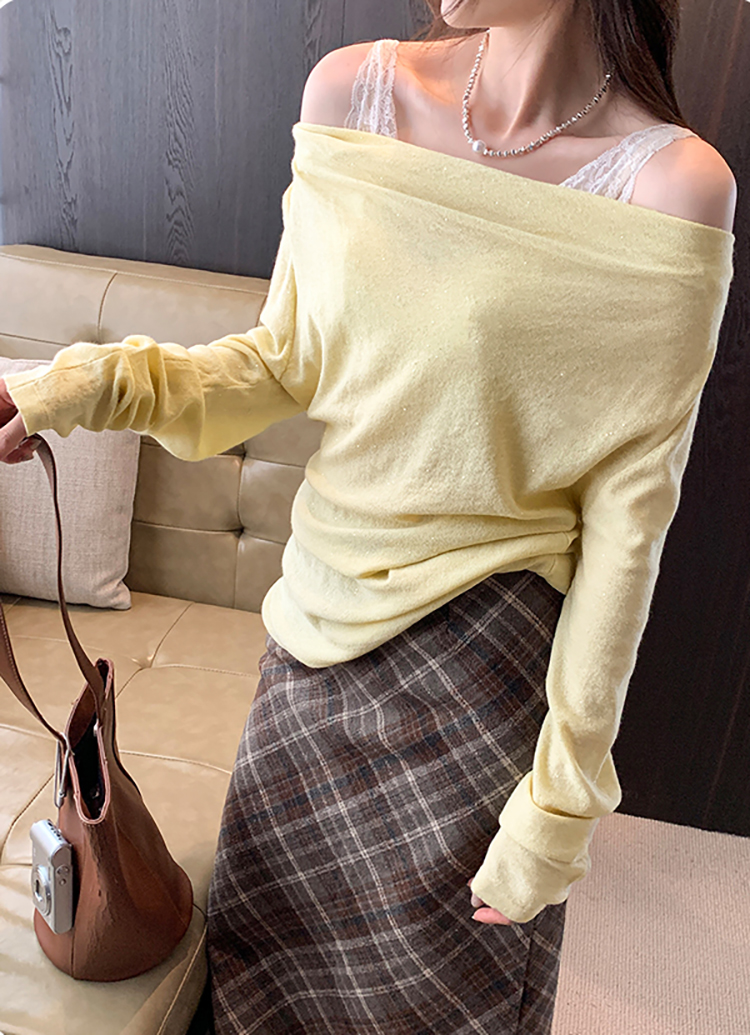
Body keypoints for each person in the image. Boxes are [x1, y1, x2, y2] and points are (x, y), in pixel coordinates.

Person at [0, 1, 736, 1032]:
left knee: (442, 1000)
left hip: (481, 672)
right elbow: (280, 363)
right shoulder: (355, 93)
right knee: (260, 975)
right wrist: (78, 387)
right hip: (314, 637)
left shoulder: (672, 187)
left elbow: (628, 522)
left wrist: (562, 805)